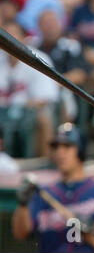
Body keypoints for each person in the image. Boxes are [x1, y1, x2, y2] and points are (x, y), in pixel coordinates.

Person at [12, 123, 94, 253]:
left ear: (81, 150)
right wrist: (23, 205)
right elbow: (21, 234)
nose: (60, 152)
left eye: (67, 146)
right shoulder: (44, 193)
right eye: (56, 147)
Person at [0, 21, 59, 157]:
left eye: (13, 34)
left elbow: (44, 99)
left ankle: (45, 162)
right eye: (5, 36)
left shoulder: (38, 58)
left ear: (23, 38)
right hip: (3, 112)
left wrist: (20, 107)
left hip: (28, 112)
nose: (8, 40)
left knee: (42, 117)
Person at [33, 10, 90, 121]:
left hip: (61, 92)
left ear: (60, 24)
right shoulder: (32, 47)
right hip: (35, 94)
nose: (50, 27)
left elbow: (80, 74)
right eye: (45, 23)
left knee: (63, 96)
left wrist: (51, 85)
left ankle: (63, 135)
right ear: (38, 26)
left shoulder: (70, 46)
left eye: (52, 22)